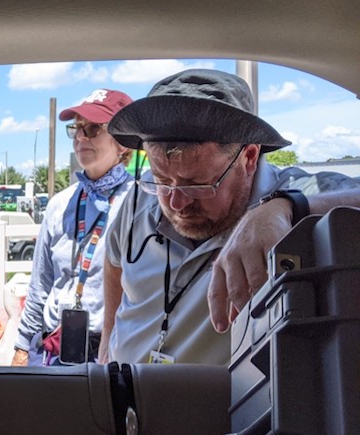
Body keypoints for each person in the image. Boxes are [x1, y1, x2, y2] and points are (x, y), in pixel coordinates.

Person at [99, 69, 360, 365]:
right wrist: (108, 337)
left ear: (248, 158)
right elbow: (114, 261)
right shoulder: (139, 198)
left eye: (196, 184)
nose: (175, 201)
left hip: (221, 409)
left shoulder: (297, 193)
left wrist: (284, 207)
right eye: (161, 179)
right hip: (122, 400)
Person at [12, 89, 134, 366]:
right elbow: (40, 283)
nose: (81, 137)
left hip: (110, 353)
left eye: (93, 129)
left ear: (124, 142)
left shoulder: (140, 202)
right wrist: (22, 346)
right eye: (77, 128)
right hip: (51, 349)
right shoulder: (60, 204)